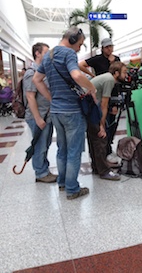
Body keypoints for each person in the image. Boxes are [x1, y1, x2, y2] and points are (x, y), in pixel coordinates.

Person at [33, 26, 97, 200]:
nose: (79, 48)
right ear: (72, 39)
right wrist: (91, 87)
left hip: (56, 112)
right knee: (74, 151)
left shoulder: (48, 55)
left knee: (62, 149)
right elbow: (76, 76)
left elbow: (36, 80)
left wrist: (51, 98)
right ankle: (72, 189)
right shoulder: (68, 53)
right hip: (72, 112)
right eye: (80, 44)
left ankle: (62, 182)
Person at [78, 37, 121, 161]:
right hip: (101, 94)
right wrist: (92, 76)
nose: (110, 49)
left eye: (111, 47)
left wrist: (115, 104)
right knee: (103, 121)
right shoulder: (98, 59)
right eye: (107, 47)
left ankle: (108, 147)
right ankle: (104, 151)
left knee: (111, 123)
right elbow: (81, 65)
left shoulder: (116, 59)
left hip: (112, 92)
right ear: (102, 48)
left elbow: (118, 77)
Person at [87, 61, 128, 181]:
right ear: (116, 73)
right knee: (101, 138)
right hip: (91, 109)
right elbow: (104, 104)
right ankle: (104, 171)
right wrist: (102, 125)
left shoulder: (106, 77)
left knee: (94, 139)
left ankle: (97, 167)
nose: (126, 75)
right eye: (124, 72)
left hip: (88, 108)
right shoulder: (109, 80)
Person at [24, 42, 57, 183]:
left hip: (47, 115)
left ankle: (44, 169)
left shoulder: (42, 72)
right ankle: (40, 172)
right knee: (40, 145)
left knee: (45, 144)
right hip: (37, 116)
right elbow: (30, 96)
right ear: (37, 53)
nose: (48, 55)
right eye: (46, 52)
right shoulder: (31, 73)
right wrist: (37, 118)